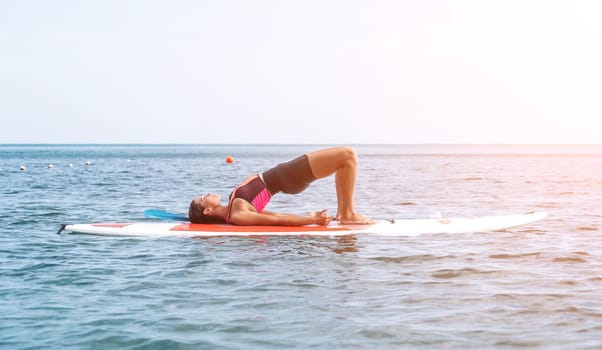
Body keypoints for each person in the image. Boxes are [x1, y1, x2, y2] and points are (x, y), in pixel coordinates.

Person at [188, 146, 372, 226]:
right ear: (207, 212)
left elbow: (270, 215)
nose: (208, 194)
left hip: (286, 174)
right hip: (288, 177)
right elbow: (276, 219)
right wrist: (311, 220)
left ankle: (343, 213)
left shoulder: (231, 210)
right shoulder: (238, 215)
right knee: (348, 155)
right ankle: (348, 214)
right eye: (204, 198)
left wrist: (308, 218)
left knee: (343, 162)